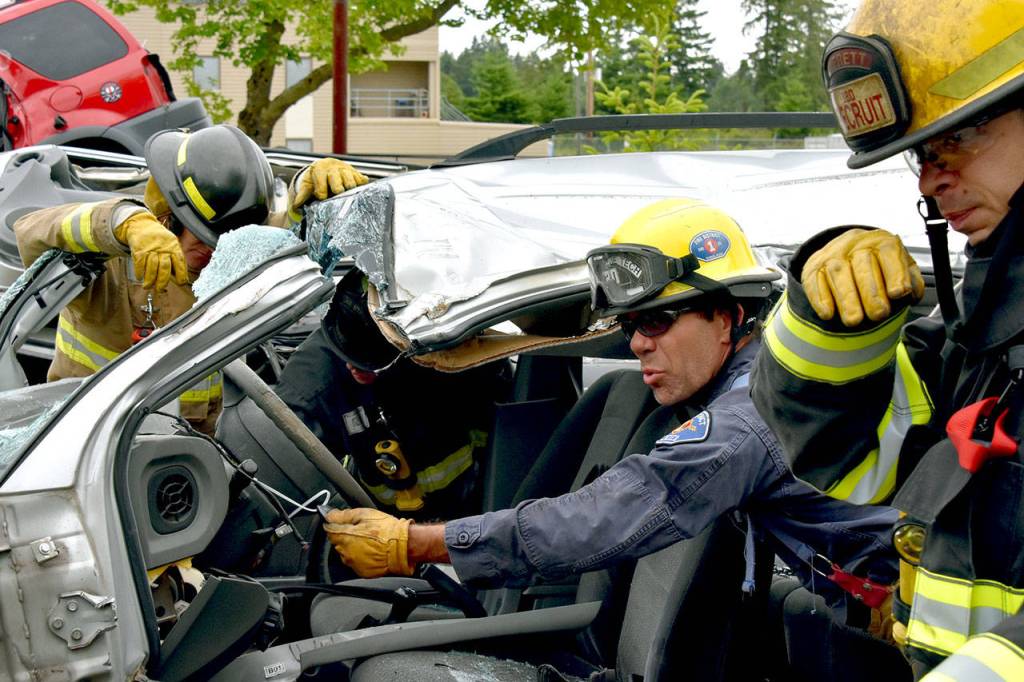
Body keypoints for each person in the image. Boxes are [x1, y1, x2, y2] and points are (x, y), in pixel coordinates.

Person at [322, 198, 900, 630]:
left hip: (894, 612)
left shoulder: (746, 416)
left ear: (726, 317)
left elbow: (609, 513)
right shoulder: (742, 389)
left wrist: (414, 543)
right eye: (629, 328)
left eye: (655, 322)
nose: (637, 346)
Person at [750, 2, 1024, 679]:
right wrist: (828, 323)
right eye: (923, 154)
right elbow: (847, 459)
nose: (932, 178)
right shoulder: (988, 340)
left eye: (961, 135)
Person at [14, 123, 367, 432]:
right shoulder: (111, 265)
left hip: (187, 459)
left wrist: (307, 186)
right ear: (167, 217)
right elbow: (29, 231)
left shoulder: (234, 256)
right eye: (203, 237)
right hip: (82, 448)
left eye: (226, 239)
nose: (217, 251)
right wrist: (123, 221)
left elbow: (284, 236)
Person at [274, 269, 511, 520]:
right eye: (348, 357)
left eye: (372, 365)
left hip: (474, 506)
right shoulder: (311, 385)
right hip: (381, 526)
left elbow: (505, 428)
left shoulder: (457, 351)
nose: (354, 368)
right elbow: (284, 473)